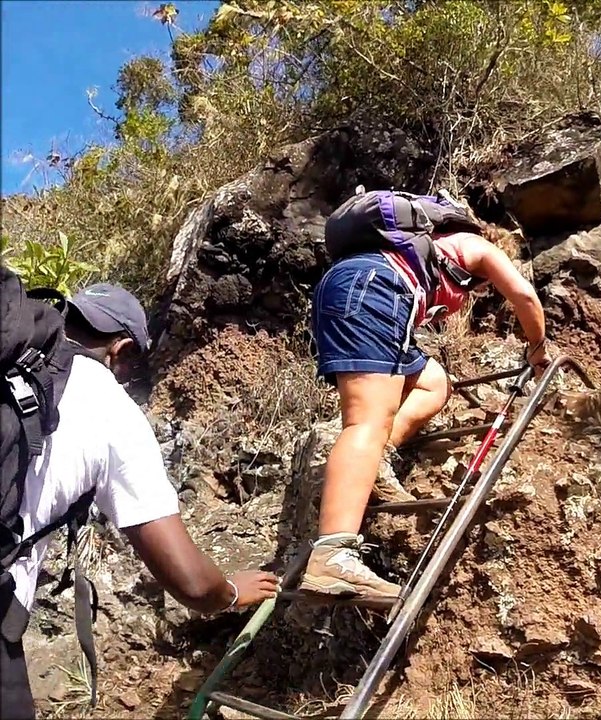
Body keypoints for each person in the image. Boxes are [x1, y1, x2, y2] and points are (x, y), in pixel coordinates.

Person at [0, 282, 280, 720]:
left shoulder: (11, 362)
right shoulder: (108, 405)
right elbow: (190, 580)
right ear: (123, 350)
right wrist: (227, 592)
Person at [301, 212, 550, 600]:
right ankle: (333, 556)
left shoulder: (428, 248)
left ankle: (374, 463)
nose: (482, 290)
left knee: (434, 383)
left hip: (350, 289)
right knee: (367, 422)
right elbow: (524, 296)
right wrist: (538, 348)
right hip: (374, 291)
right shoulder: (476, 246)